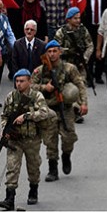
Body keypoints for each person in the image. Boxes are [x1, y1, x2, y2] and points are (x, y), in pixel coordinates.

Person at [31, 40, 87, 182]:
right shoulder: (40, 70)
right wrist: (45, 88)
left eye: (55, 51)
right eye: (49, 52)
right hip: (48, 109)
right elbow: (30, 87)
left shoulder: (69, 68)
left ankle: (66, 155)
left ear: (60, 52)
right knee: (50, 140)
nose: (52, 54)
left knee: (69, 136)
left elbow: (79, 85)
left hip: (66, 108)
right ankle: (53, 169)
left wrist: (83, 103)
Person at [0, 69, 49, 211]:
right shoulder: (11, 97)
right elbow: (4, 116)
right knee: (12, 167)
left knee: (33, 167)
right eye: (17, 81)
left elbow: (44, 112)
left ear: (29, 82)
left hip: (32, 139)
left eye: (22, 81)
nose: (18, 84)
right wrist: (5, 129)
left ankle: (33, 190)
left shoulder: (36, 96)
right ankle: (9, 198)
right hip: (15, 139)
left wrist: (26, 116)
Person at [54, 7, 93, 82]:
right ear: (68, 19)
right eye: (75, 18)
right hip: (65, 64)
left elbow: (90, 46)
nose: (78, 20)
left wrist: (84, 58)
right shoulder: (61, 32)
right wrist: (69, 51)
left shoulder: (83, 30)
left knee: (81, 87)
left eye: (79, 18)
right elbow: (56, 49)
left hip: (80, 64)